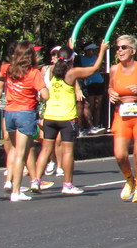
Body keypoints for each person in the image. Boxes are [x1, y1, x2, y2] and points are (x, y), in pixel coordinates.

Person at [39, 41, 108, 196]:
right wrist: (102, 50)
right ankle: (67, 184)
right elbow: (94, 69)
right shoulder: (71, 73)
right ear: (71, 59)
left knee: (45, 149)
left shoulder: (51, 70)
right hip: (66, 117)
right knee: (68, 151)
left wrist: (70, 48)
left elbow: (63, 59)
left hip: (50, 116)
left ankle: (36, 181)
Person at [0, 41, 49, 201]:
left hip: (10, 112)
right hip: (25, 112)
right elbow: (45, 95)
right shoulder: (33, 73)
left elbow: (0, 78)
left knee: (12, 149)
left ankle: (9, 181)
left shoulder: (7, 68)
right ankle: (16, 191)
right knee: (21, 153)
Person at [106, 35, 137, 202]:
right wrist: (111, 93)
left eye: (124, 47)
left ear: (133, 51)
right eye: (118, 48)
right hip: (121, 114)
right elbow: (110, 87)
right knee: (120, 155)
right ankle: (129, 180)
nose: (120, 51)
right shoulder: (114, 69)